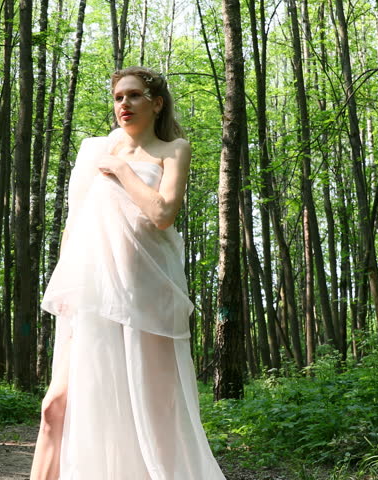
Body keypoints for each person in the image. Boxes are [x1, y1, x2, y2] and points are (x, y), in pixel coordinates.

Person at [30, 66, 226, 480]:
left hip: (149, 295)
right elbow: (75, 222)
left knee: (155, 416)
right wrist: (65, 292)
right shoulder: (92, 150)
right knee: (56, 407)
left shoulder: (173, 150)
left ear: (155, 103)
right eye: (119, 97)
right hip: (93, 297)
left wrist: (121, 169)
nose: (124, 104)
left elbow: (162, 213)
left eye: (134, 96)